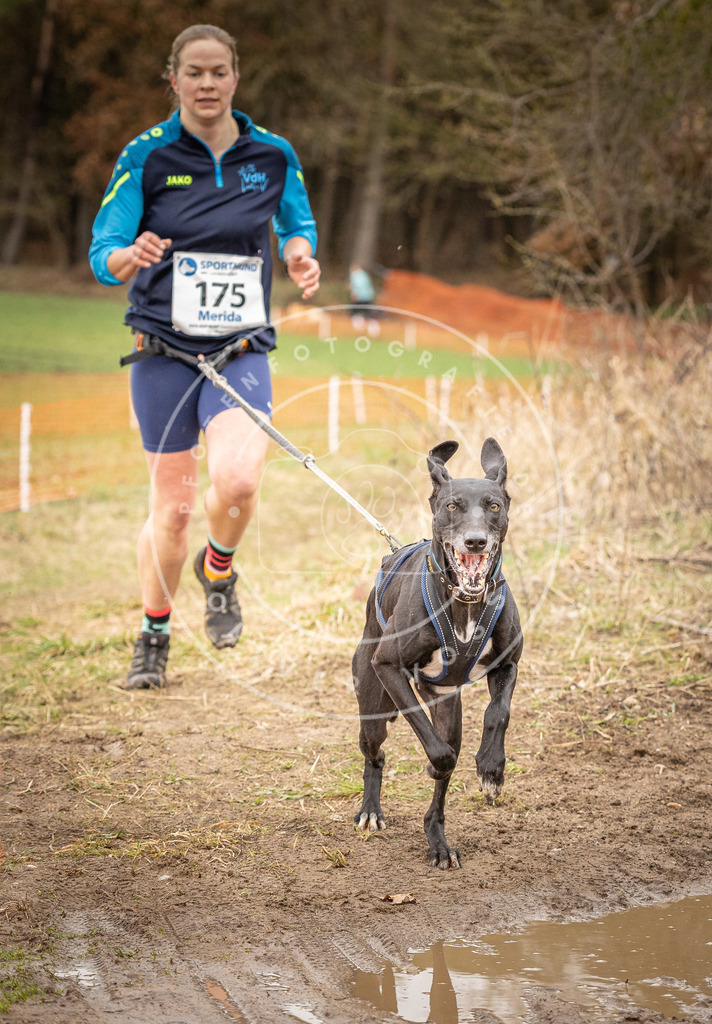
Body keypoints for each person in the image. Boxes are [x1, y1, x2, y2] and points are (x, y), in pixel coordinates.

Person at [89, 24, 320, 690]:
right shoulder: (147, 155)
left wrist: (300, 254)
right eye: (195, 72)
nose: (208, 84)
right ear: (174, 80)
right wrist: (124, 257)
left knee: (241, 480)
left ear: (236, 78)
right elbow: (104, 243)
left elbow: (295, 222)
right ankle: (155, 632)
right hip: (162, 349)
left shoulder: (272, 154)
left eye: (219, 72)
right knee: (175, 508)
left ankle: (218, 570)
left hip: (239, 346)